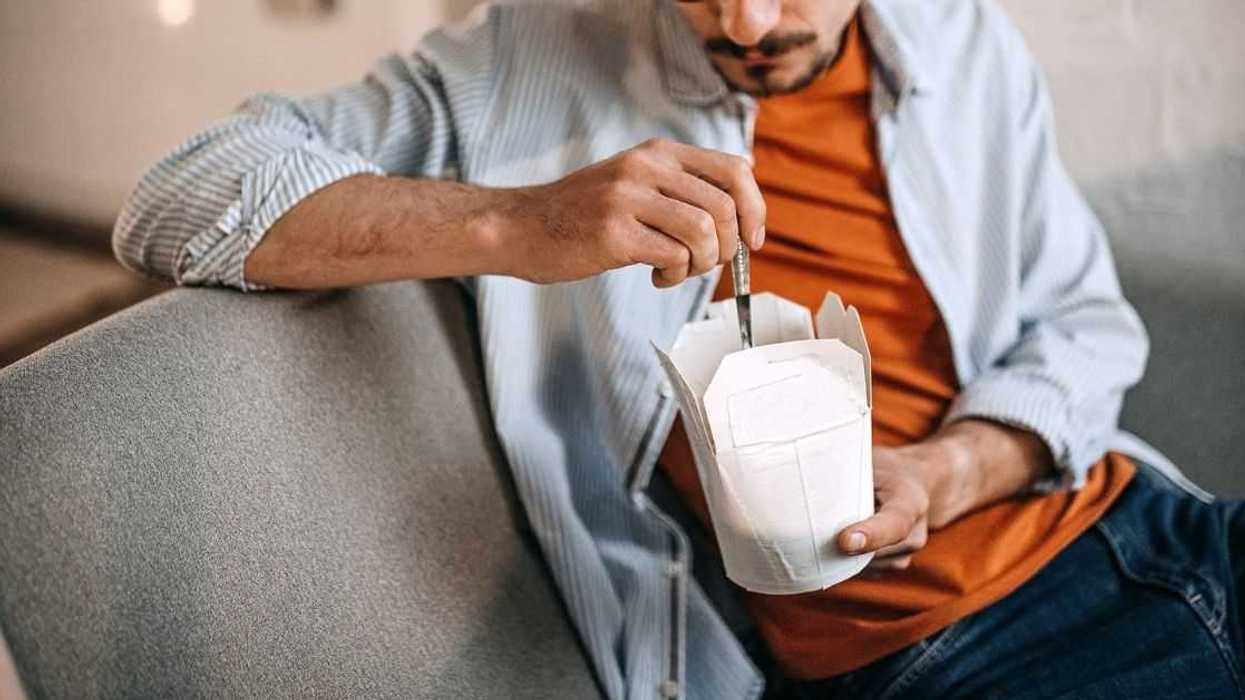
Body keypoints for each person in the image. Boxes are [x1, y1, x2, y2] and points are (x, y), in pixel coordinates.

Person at [113, 0, 1244, 697]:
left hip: (1152, 517)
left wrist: (950, 470)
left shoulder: (963, 41)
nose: (746, 21)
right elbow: (173, 196)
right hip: (943, 650)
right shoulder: (523, 62)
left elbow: (1085, 325)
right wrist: (517, 224)